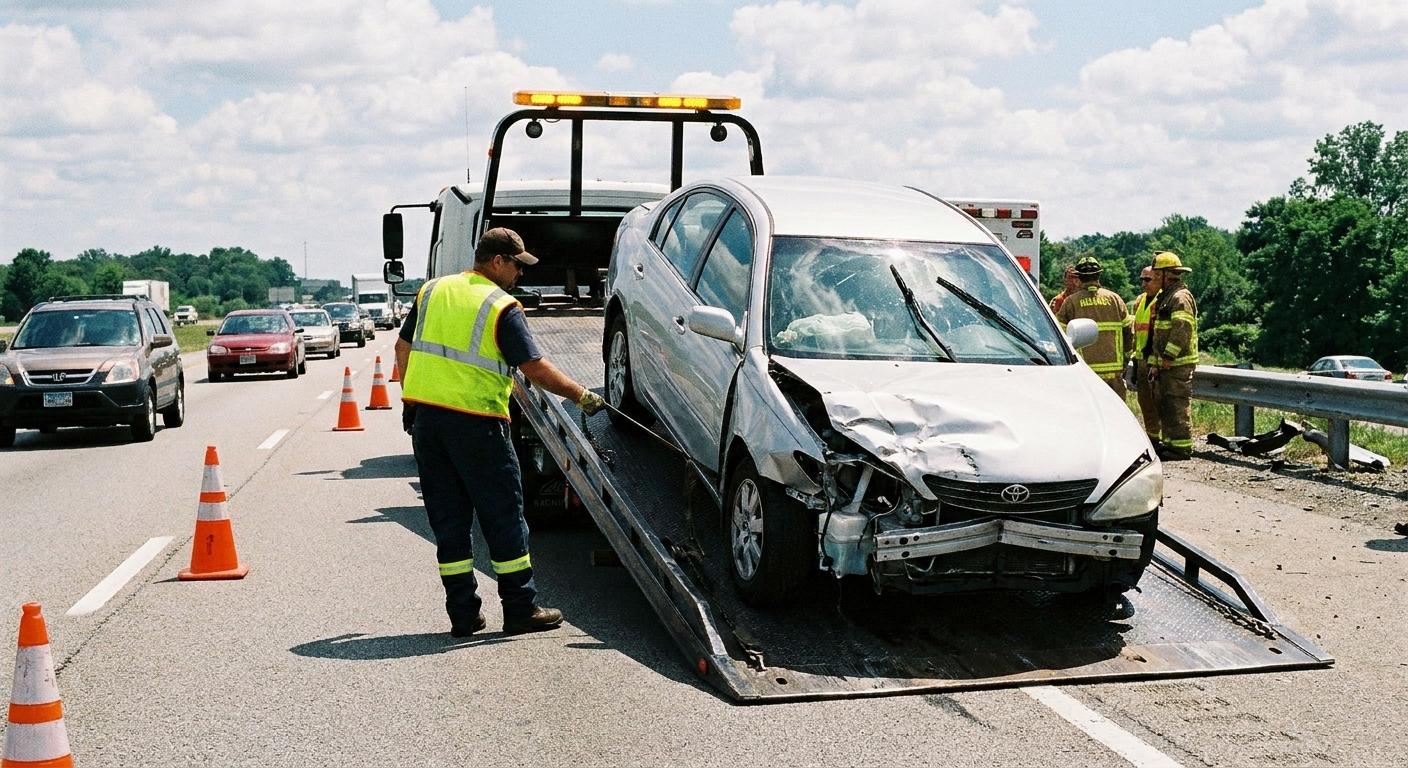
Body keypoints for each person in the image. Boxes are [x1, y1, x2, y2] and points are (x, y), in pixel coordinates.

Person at [394, 227, 606, 637]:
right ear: (497, 262)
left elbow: (402, 350)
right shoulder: (500, 305)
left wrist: (413, 397)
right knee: (504, 515)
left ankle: (462, 613)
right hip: (478, 426)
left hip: (428, 424)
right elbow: (533, 367)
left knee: (449, 520)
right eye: (517, 266)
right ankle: (520, 608)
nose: (520, 275)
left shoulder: (432, 291)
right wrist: (581, 395)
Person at [1143, 251, 1199, 461]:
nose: (1154, 277)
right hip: (1166, 364)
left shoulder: (1179, 297)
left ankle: (1181, 448)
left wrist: (1168, 356)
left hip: (1177, 364)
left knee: (1176, 404)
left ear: (1167, 274)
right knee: (1165, 403)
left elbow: (1182, 328)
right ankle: (1171, 444)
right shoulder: (1167, 296)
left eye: (1157, 273)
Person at [1056, 256, 1133, 397]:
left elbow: (1059, 336)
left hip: (1086, 374)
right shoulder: (1115, 299)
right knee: (1116, 416)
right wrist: (1126, 359)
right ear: (1098, 275)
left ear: (1079, 277)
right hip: (1114, 375)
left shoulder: (1070, 302)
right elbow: (1128, 333)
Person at [1129, 266, 1161, 446]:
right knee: (1145, 402)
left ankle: (1162, 438)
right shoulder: (1140, 301)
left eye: (1147, 280)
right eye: (1141, 279)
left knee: (1158, 403)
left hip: (1156, 359)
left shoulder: (1162, 300)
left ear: (1157, 279)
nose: (1143, 284)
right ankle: (1152, 439)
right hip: (1142, 358)